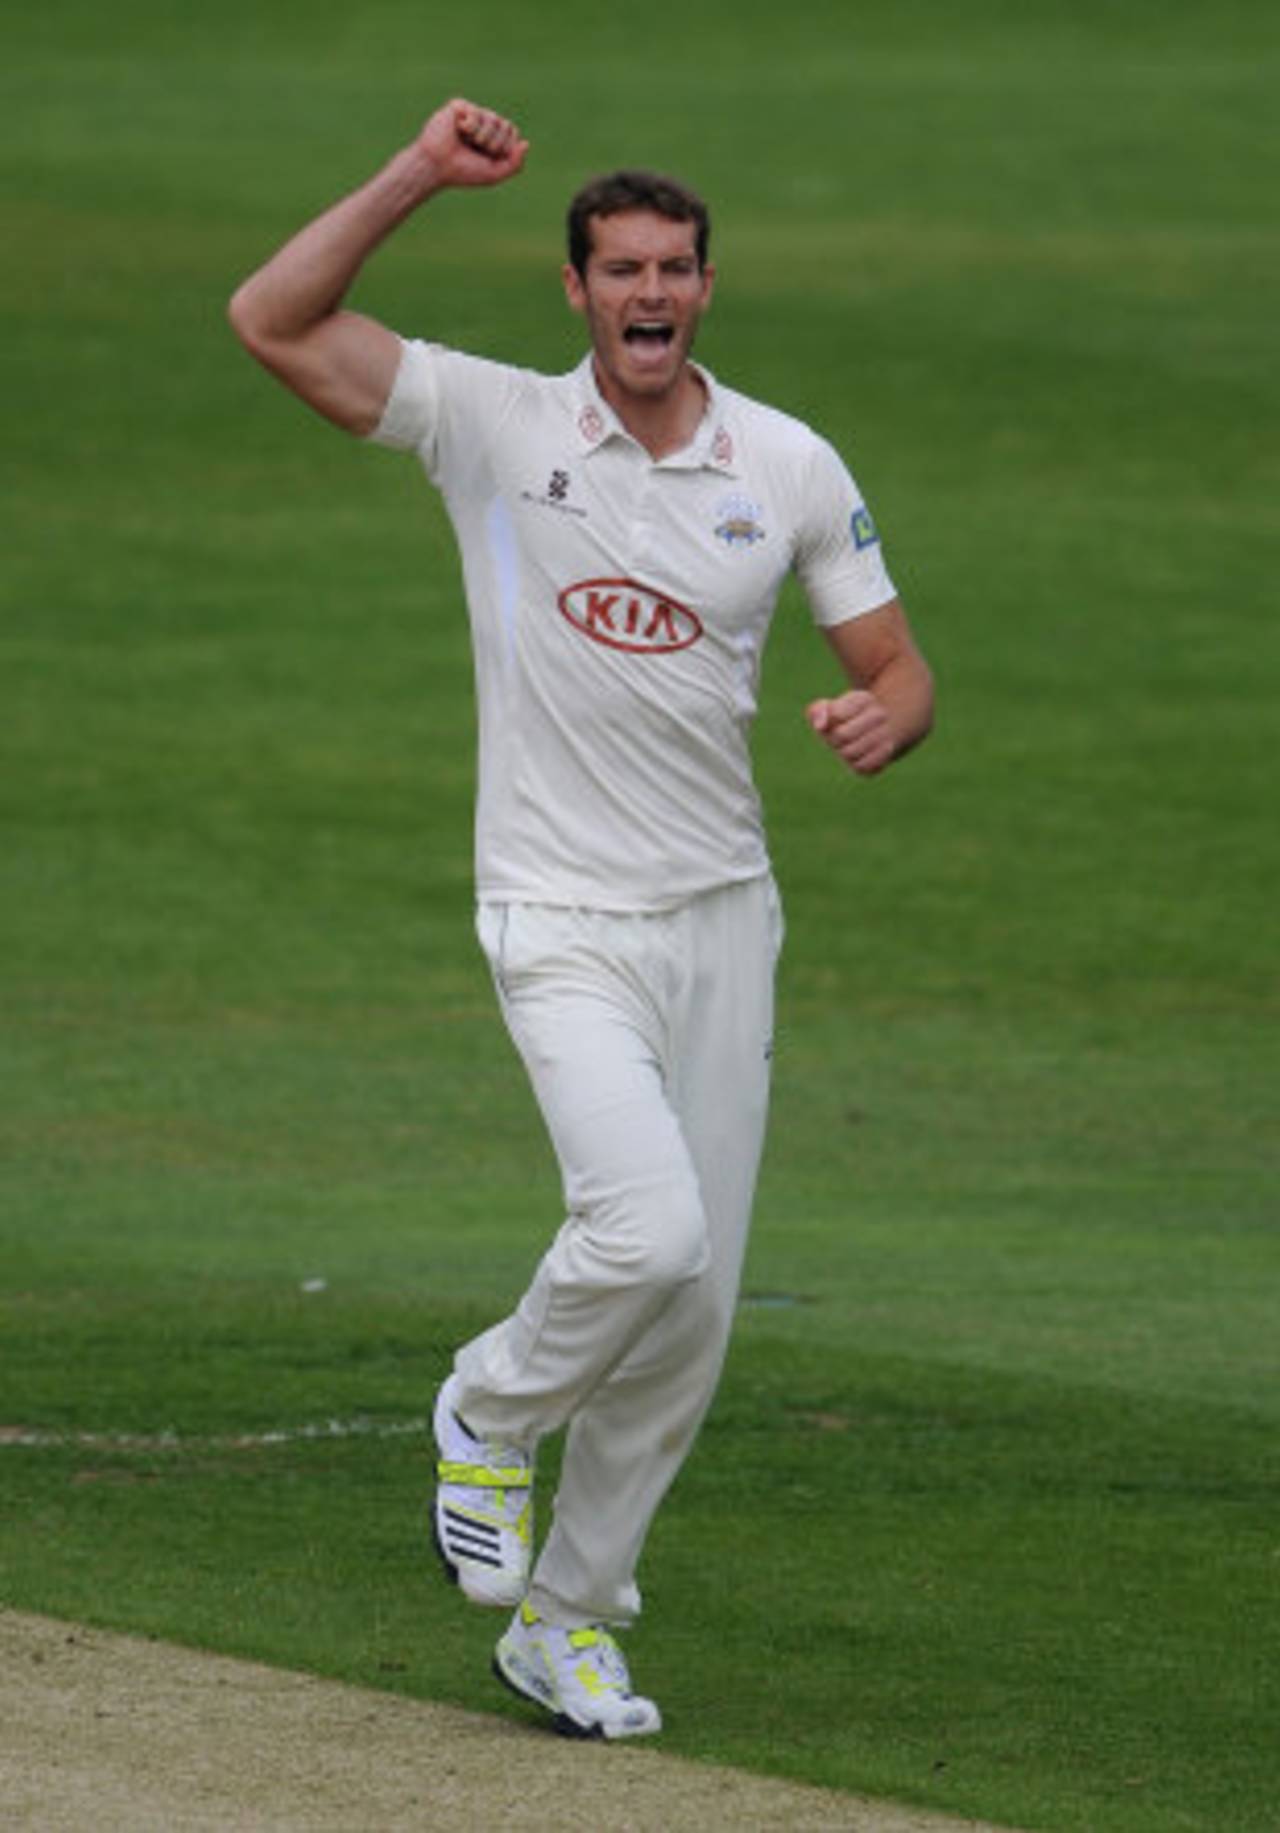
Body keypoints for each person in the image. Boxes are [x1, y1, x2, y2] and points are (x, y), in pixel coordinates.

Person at [229, 96, 934, 1741]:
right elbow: (272, 319)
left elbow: (893, 659)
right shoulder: (493, 427)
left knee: (689, 1316)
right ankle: (486, 1405)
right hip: (556, 912)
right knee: (648, 1232)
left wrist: (892, 713)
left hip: (723, 919)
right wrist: (417, 172)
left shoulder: (788, 461)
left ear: (704, 286)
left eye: (676, 268)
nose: (651, 292)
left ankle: (569, 1620)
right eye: (621, 266)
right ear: (574, 289)